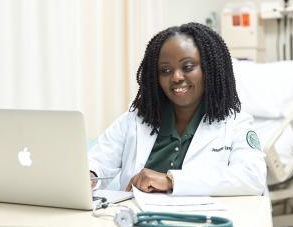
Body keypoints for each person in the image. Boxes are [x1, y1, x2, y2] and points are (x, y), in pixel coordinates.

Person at [88, 22, 266, 196]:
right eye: (165, 70)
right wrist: (90, 175)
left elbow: (253, 177)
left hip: (200, 221)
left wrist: (171, 181)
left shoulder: (234, 123)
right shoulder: (137, 118)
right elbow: (97, 160)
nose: (176, 77)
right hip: (135, 219)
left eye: (187, 67)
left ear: (209, 69)